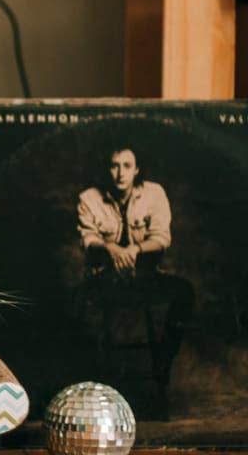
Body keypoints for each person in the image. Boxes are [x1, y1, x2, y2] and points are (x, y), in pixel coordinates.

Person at [76, 145, 194, 389]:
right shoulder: (88, 198)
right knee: (74, 304)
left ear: (137, 169)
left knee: (185, 293)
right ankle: (95, 379)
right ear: (107, 169)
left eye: (127, 166)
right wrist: (110, 248)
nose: (120, 173)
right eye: (114, 166)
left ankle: (164, 358)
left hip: (144, 277)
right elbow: (87, 239)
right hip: (105, 278)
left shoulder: (154, 193)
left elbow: (162, 238)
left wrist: (135, 249)